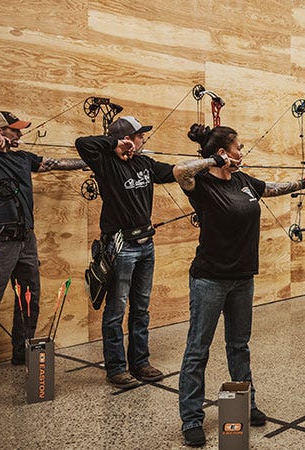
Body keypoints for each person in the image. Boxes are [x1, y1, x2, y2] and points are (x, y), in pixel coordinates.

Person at [174, 123, 305, 447]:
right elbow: (181, 170)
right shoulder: (203, 184)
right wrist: (213, 161)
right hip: (209, 279)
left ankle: (246, 404)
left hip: (241, 279)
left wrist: (301, 183)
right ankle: (191, 419)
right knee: (198, 349)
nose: (242, 151)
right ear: (224, 151)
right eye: (238, 147)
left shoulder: (243, 180)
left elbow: (270, 189)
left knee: (239, 346)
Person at [75, 116, 196, 389]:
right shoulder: (106, 164)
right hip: (120, 247)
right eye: (140, 135)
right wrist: (114, 145)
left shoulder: (145, 164)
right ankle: (116, 368)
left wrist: (208, 162)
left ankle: (139, 362)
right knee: (116, 309)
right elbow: (83, 144)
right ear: (127, 138)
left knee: (141, 308)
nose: (144, 139)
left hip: (145, 245)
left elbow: (175, 171)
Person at [0, 111, 87, 386]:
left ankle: (22, 352)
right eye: (14, 130)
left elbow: (57, 164)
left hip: (27, 239)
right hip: (1, 239)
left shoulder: (24, 159)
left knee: (30, 297)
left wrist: (91, 161)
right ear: (0, 130)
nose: (20, 135)